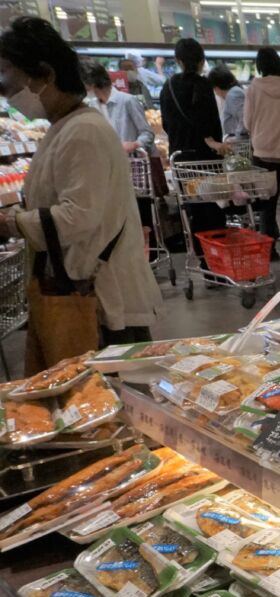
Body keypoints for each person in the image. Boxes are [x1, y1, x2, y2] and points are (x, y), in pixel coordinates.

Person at [0, 17, 159, 371]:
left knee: (107, 393)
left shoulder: (83, 131)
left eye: (8, 73)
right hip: (85, 290)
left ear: (44, 74)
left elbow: (77, 218)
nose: (5, 87)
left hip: (97, 301)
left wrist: (12, 223)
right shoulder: (66, 127)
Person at [244, 46, 280, 249]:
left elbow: (247, 122)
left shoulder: (253, 89)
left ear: (259, 66)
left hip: (264, 153)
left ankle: (268, 251)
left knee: (267, 204)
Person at [159, 38, 223, 159]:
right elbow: (210, 120)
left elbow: (166, 124)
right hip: (206, 154)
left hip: (179, 153)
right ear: (202, 61)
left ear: (178, 61)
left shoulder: (169, 86)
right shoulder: (204, 84)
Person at [83, 61, 153, 153]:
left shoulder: (128, 101)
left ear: (92, 84)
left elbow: (147, 133)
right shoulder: (92, 105)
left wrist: (135, 144)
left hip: (127, 158)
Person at [207, 65, 245, 141]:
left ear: (216, 87)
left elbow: (244, 119)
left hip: (239, 143)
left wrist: (236, 138)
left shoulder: (234, 95)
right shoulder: (232, 93)